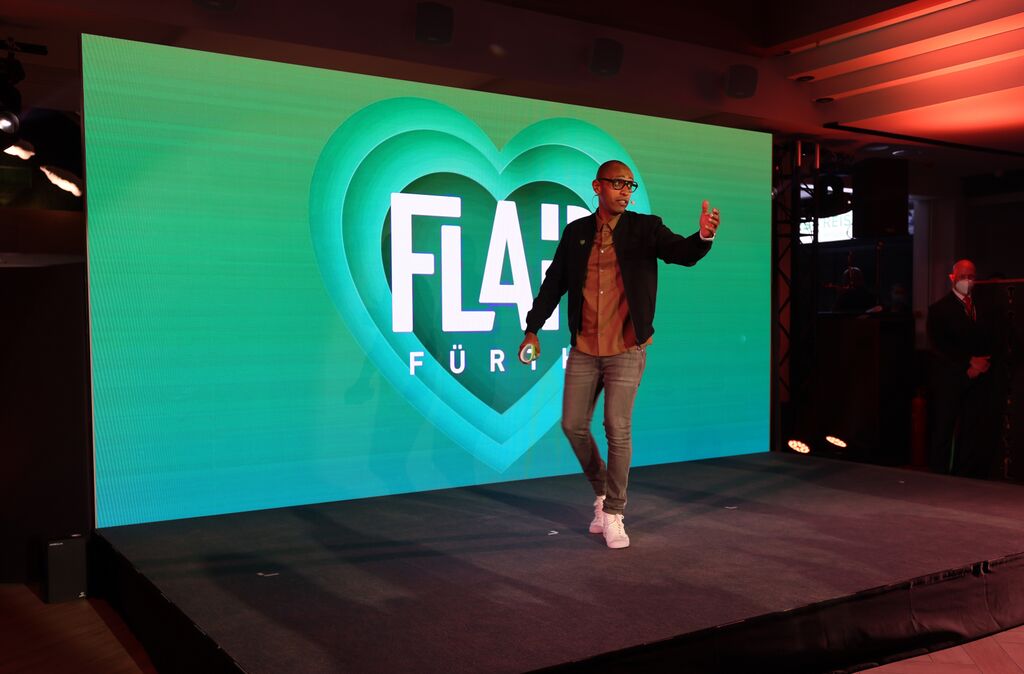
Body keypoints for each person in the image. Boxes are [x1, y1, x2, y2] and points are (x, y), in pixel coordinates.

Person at [518, 160, 719, 549]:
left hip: (626, 348)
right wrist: (532, 328)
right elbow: (554, 282)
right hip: (585, 348)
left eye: (630, 185)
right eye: (618, 184)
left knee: (616, 426)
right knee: (573, 425)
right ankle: (601, 491)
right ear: (598, 187)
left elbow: (681, 252)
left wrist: (703, 237)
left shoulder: (646, 228)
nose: (625, 191)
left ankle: (614, 511)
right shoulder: (576, 233)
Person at [926, 259, 998, 477]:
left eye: (971, 276)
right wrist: (968, 362)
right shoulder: (939, 309)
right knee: (945, 427)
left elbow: (993, 339)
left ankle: (968, 474)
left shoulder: (983, 308)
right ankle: (938, 475)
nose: (967, 281)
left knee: (972, 429)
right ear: (952, 278)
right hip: (951, 378)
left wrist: (982, 363)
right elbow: (939, 346)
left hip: (978, 378)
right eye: (963, 277)